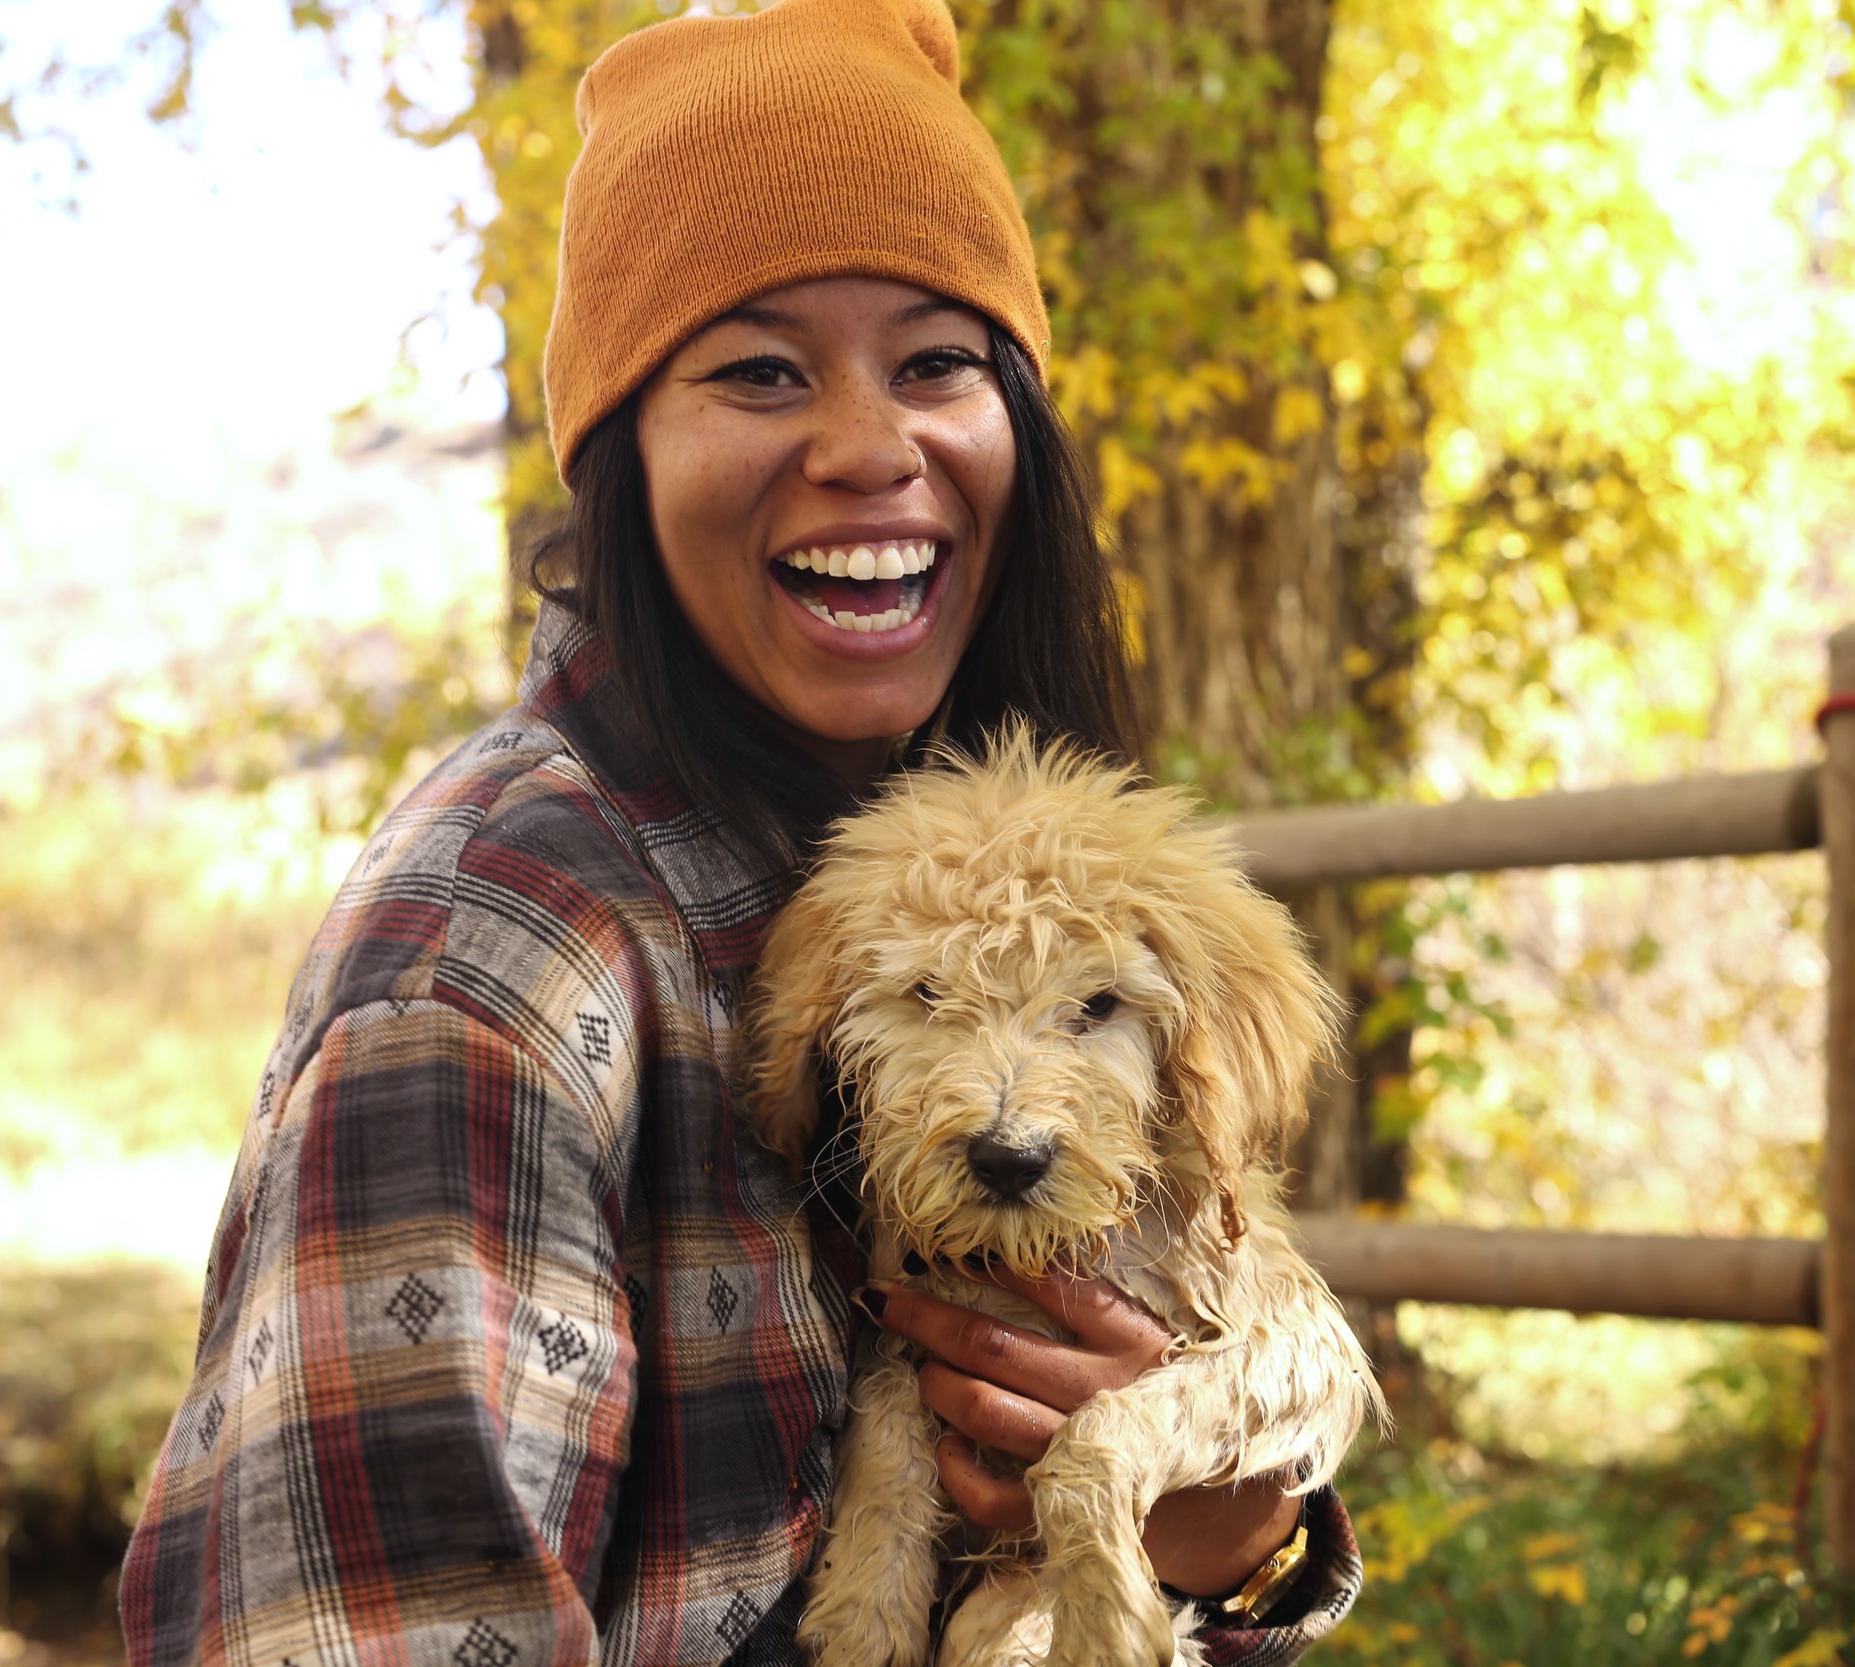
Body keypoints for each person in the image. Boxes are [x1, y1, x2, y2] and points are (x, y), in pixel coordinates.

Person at [116, 0, 1366, 1661]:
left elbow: (1161, 1558)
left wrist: (1231, 1540)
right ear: (620, 455)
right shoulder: (490, 968)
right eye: (759, 371)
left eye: (938, 361)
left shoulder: (950, 860)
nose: (870, 448)